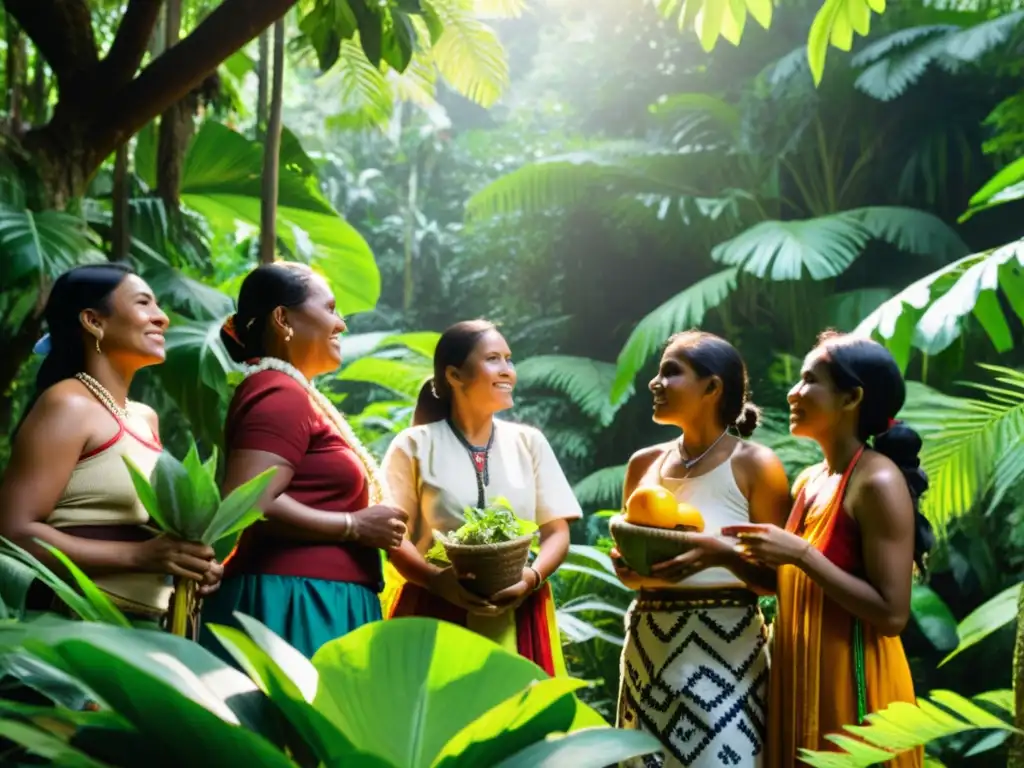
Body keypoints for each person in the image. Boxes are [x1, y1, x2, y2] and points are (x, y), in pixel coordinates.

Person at [723, 331, 931, 768]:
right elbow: (785, 585)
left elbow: (892, 614)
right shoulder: (809, 481)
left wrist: (801, 554)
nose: (793, 392)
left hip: (857, 686)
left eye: (809, 380)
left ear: (851, 397)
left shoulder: (877, 481)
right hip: (799, 677)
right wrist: (712, 554)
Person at [198, 262, 408, 659]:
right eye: (329, 309)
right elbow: (247, 499)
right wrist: (353, 526)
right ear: (283, 318)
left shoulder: (290, 389)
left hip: (312, 593)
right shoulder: (278, 391)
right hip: (295, 601)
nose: (340, 324)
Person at [0, 263, 220, 624]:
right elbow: (13, 532)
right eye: (144, 303)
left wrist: (193, 560)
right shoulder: (67, 404)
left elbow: (145, 531)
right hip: (77, 627)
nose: (161, 318)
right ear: (94, 321)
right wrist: (138, 557)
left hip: (148, 628)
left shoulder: (144, 417)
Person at [611, 331, 791, 768]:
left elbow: (782, 582)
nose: (655, 383)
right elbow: (633, 561)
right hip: (648, 651)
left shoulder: (756, 465)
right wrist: (629, 571)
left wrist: (723, 555)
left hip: (728, 653)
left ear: (713, 388)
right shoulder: (643, 465)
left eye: (671, 372)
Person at [380, 319, 581, 675]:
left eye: (509, 359)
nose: (507, 371)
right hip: (435, 610)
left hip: (520, 611)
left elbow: (557, 532)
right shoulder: (413, 445)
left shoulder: (529, 443)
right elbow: (395, 537)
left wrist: (530, 579)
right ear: (455, 376)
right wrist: (434, 580)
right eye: (493, 359)